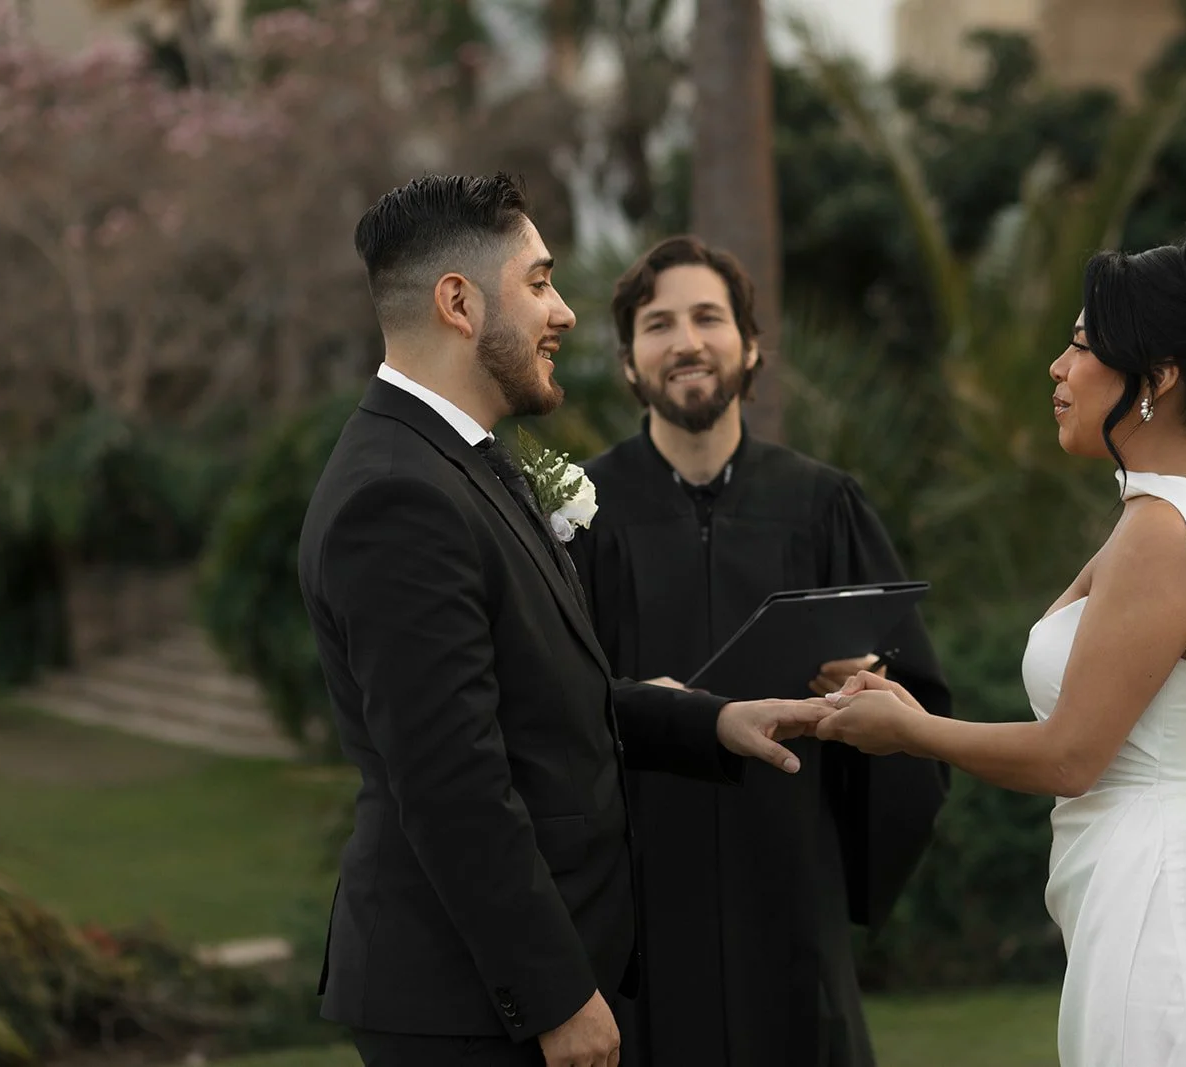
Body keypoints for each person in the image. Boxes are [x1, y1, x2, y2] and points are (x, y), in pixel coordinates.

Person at [297, 175, 830, 1067]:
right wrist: (554, 994)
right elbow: (452, 781)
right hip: (471, 1008)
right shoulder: (397, 496)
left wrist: (711, 719)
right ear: (459, 303)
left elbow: (537, 699)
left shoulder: (457, 463)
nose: (568, 312)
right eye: (540, 282)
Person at [815, 225, 1186, 1066]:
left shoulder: (1164, 528)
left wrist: (906, 732)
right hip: (1171, 878)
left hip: (1162, 902)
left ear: (1157, 377)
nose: (1058, 368)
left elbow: (1069, 757)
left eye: (1083, 345)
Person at [565, 235, 950, 1067]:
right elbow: (545, 706)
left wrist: (872, 697)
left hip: (787, 891)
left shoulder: (822, 505)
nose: (687, 341)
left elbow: (920, 712)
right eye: (658, 324)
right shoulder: (582, 519)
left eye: (709, 317)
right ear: (630, 363)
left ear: (752, 346)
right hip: (638, 907)